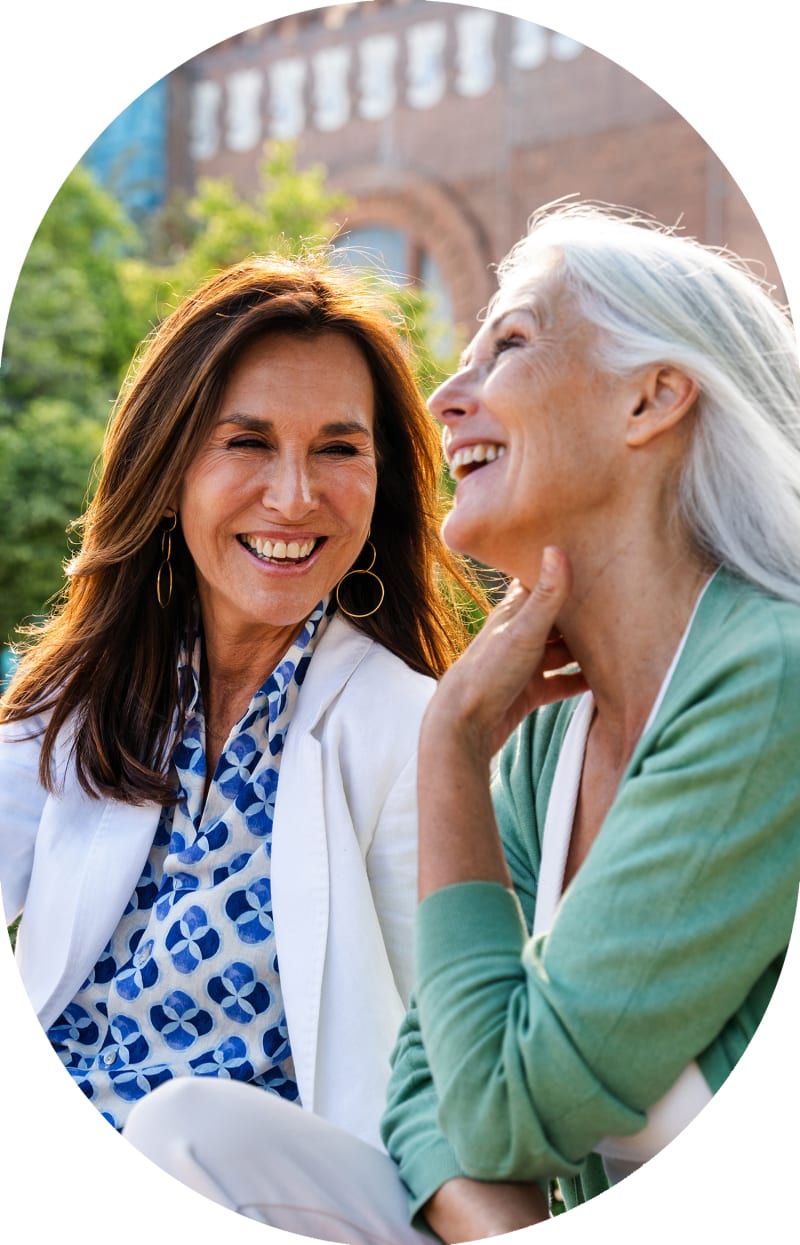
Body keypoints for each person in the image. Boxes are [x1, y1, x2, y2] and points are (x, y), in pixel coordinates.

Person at [124, 201, 799, 1243]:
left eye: (510, 343)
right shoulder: (544, 729)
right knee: (185, 1136)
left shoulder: (767, 682)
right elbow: (424, 1095)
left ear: (651, 399)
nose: (445, 398)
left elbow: (501, 1106)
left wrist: (447, 747)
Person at [0, 252, 481, 1153]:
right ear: (171, 462)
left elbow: (450, 1062)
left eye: (339, 447)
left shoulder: (418, 731)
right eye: (249, 442)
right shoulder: (90, 691)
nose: (294, 496)